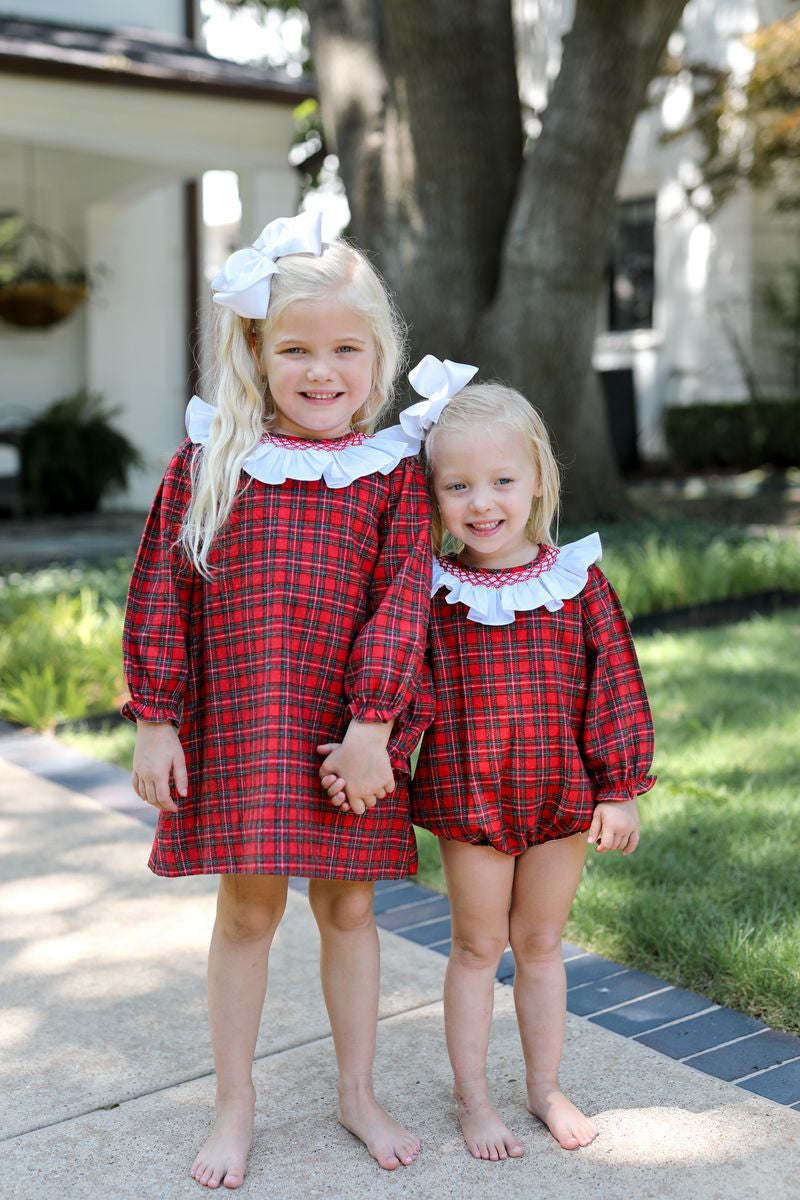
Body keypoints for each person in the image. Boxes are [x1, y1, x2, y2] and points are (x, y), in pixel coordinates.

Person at [122, 211, 433, 1189]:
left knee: (347, 910)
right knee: (248, 912)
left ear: (376, 355)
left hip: (349, 738)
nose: (321, 371)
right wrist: (158, 716)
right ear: (254, 351)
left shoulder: (389, 477)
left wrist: (373, 727)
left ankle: (355, 1088)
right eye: (295, 348)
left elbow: (401, 605)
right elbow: (160, 589)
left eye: (346, 348)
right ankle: (234, 1104)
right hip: (246, 728)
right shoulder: (212, 460)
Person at [394, 360, 654, 1160]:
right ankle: (474, 1099)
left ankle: (543, 1087)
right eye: (458, 486)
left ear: (539, 478)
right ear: (432, 495)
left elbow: (612, 684)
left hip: (559, 796)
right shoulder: (435, 593)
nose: (482, 503)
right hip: (470, 797)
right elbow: (409, 687)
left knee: (540, 945)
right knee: (478, 946)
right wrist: (386, 756)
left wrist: (620, 789)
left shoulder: (577, 584)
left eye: (503, 480)